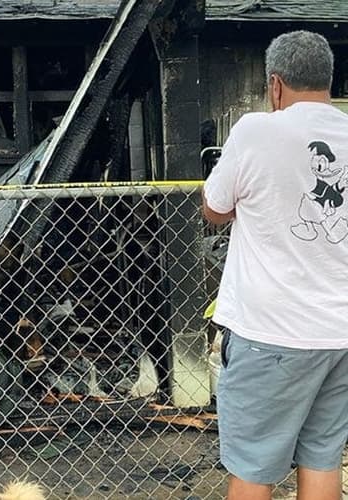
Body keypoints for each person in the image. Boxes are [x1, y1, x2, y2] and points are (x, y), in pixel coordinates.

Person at [203, 30, 348, 500]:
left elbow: (215, 208)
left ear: (275, 84)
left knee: (253, 466)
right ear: (329, 79)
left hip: (272, 333)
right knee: (323, 457)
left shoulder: (256, 130)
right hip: (341, 332)